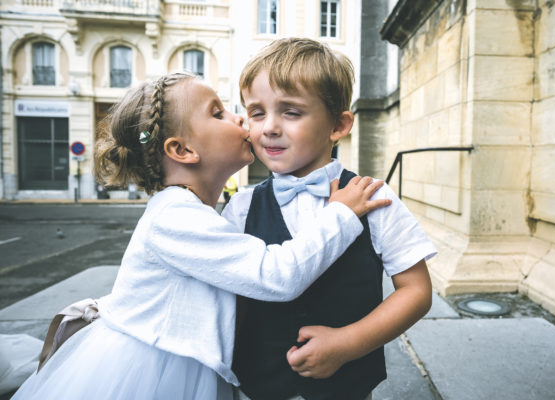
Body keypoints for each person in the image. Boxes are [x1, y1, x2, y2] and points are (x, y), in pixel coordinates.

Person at [11, 72, 391, 400]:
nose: (240, 118)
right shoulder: (174, 215)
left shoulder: (195, 210)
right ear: (183, 150)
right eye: (217, 112)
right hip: (148, 371)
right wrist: (340, 214)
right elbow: (274, 275)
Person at [222, 38, 438, 400]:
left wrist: (347, 343)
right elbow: (229, 298)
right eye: (257, 112)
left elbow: (416, 292)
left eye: (291, 112)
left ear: (338, 126)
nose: (269, 127)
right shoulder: (241, 207)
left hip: (348, 388)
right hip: (258, 386)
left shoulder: (376, 197)